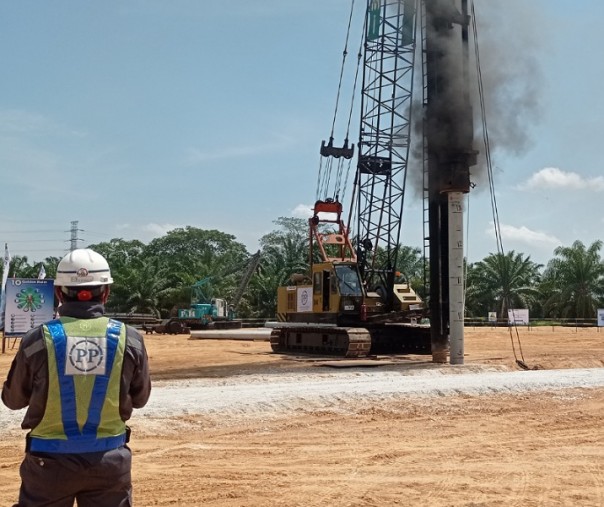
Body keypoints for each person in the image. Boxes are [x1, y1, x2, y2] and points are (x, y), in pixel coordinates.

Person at [2, 248, 152, 507]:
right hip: (109, 461)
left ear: (59, 293)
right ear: (105, 292)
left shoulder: (37, 340)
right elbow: (140, 399)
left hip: (48, 465)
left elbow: (13, 400)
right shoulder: (131, 339)